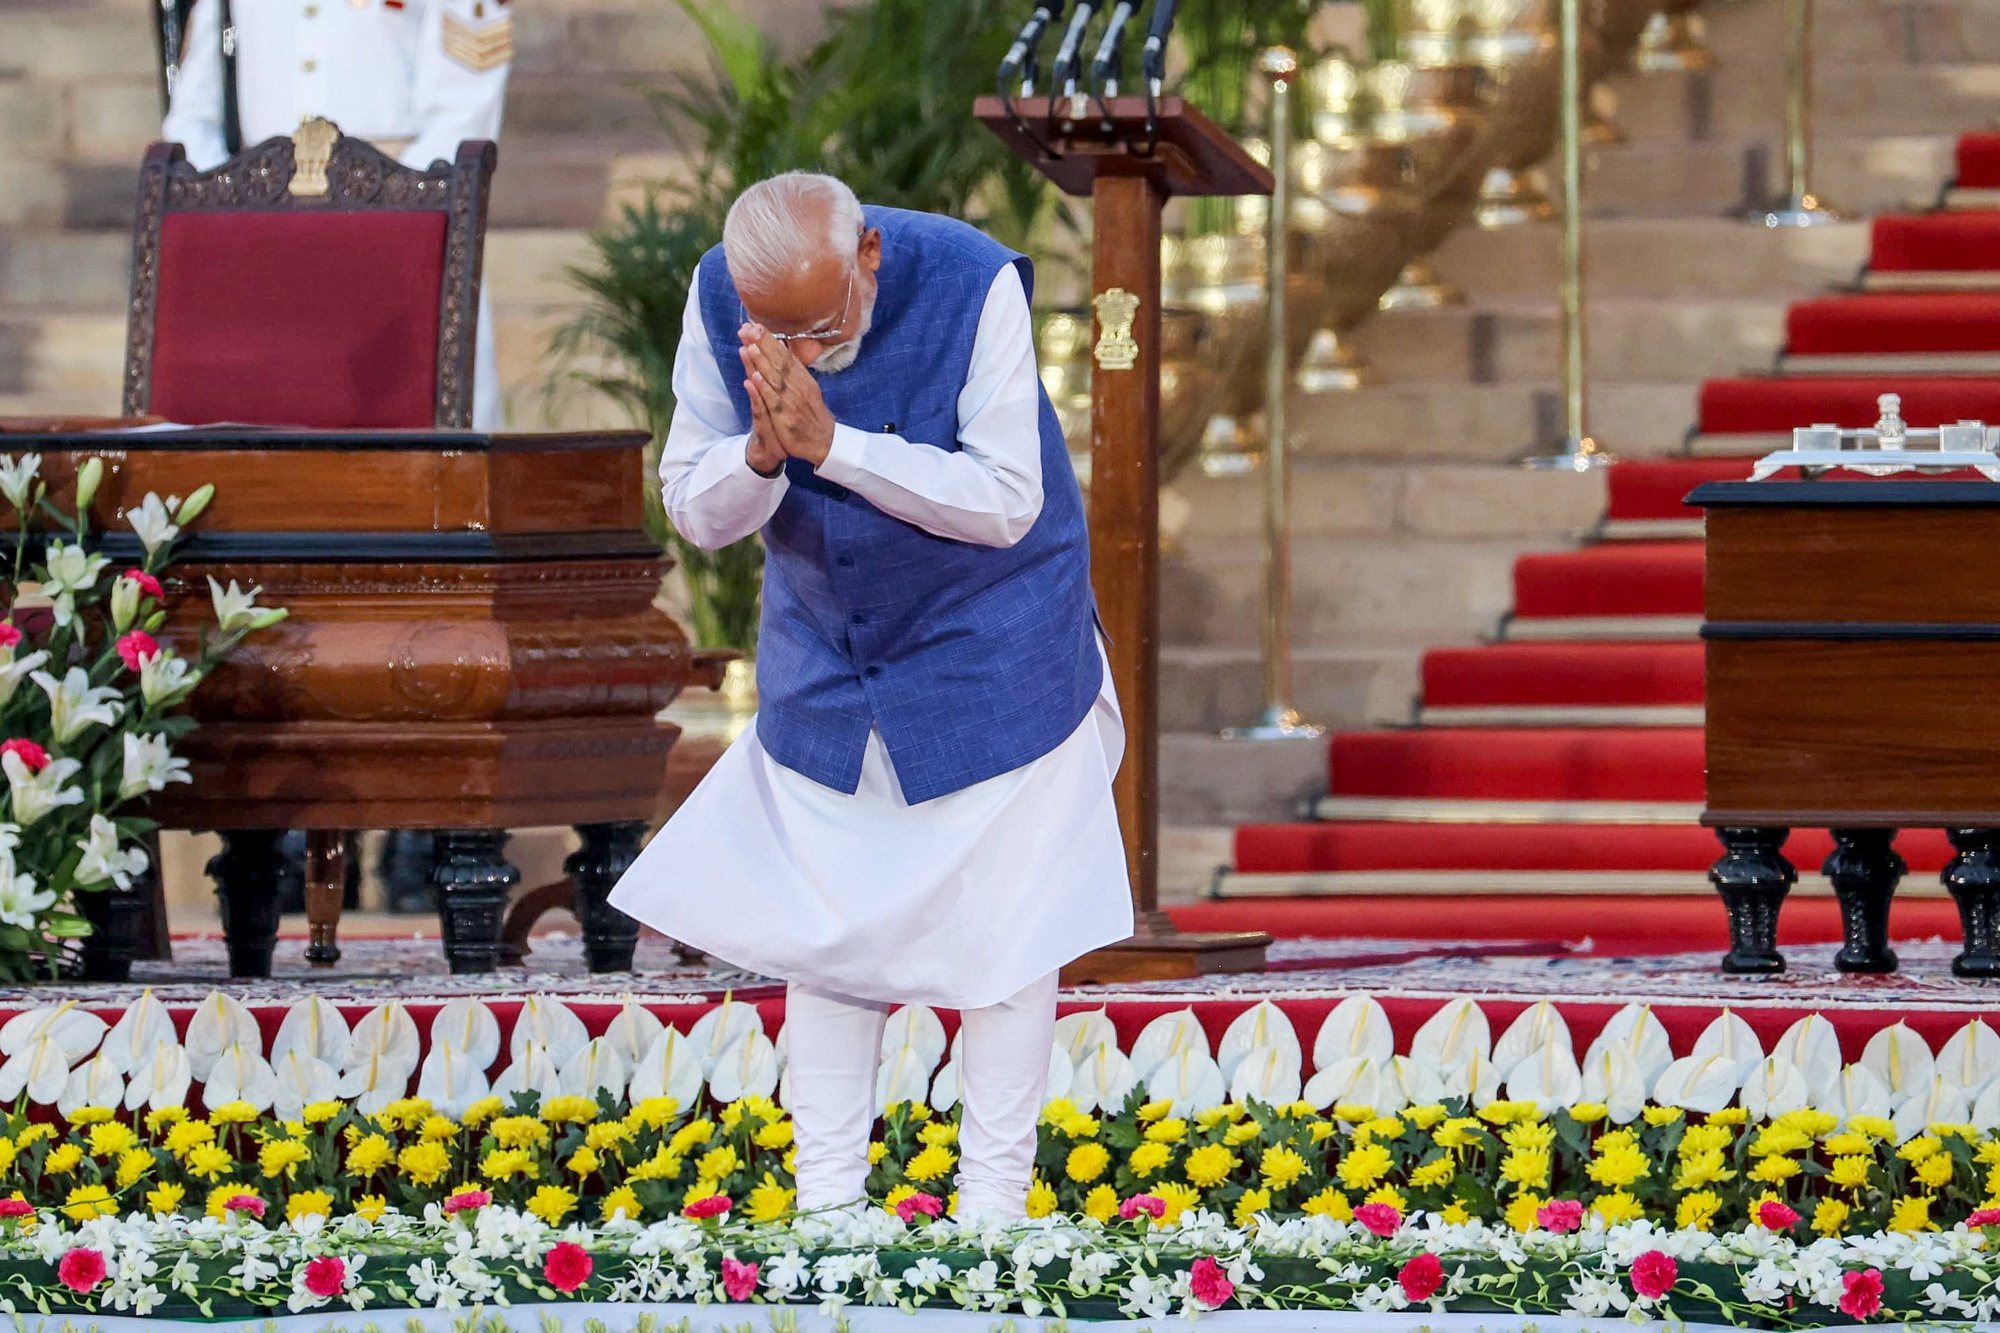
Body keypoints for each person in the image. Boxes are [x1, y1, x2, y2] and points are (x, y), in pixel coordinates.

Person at [609, 172, 1133, 1221]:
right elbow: (693, 509)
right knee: (827, 930)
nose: (806, 352)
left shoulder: (974, 282)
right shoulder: (719, 296)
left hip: (997, 642)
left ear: (869, 259)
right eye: (779, 332)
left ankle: (990, 1218)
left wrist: (834, 448)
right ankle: (828, 1213)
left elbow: (1003, 500)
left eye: (824, 325)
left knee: (1006, 933)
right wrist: (760, 451)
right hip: (830, 645)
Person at [159, 0, 512, 431]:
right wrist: (234, 217)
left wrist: (383, 212)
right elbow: (194, 120)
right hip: (267, 247)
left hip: (406, 241)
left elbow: (462, 115)